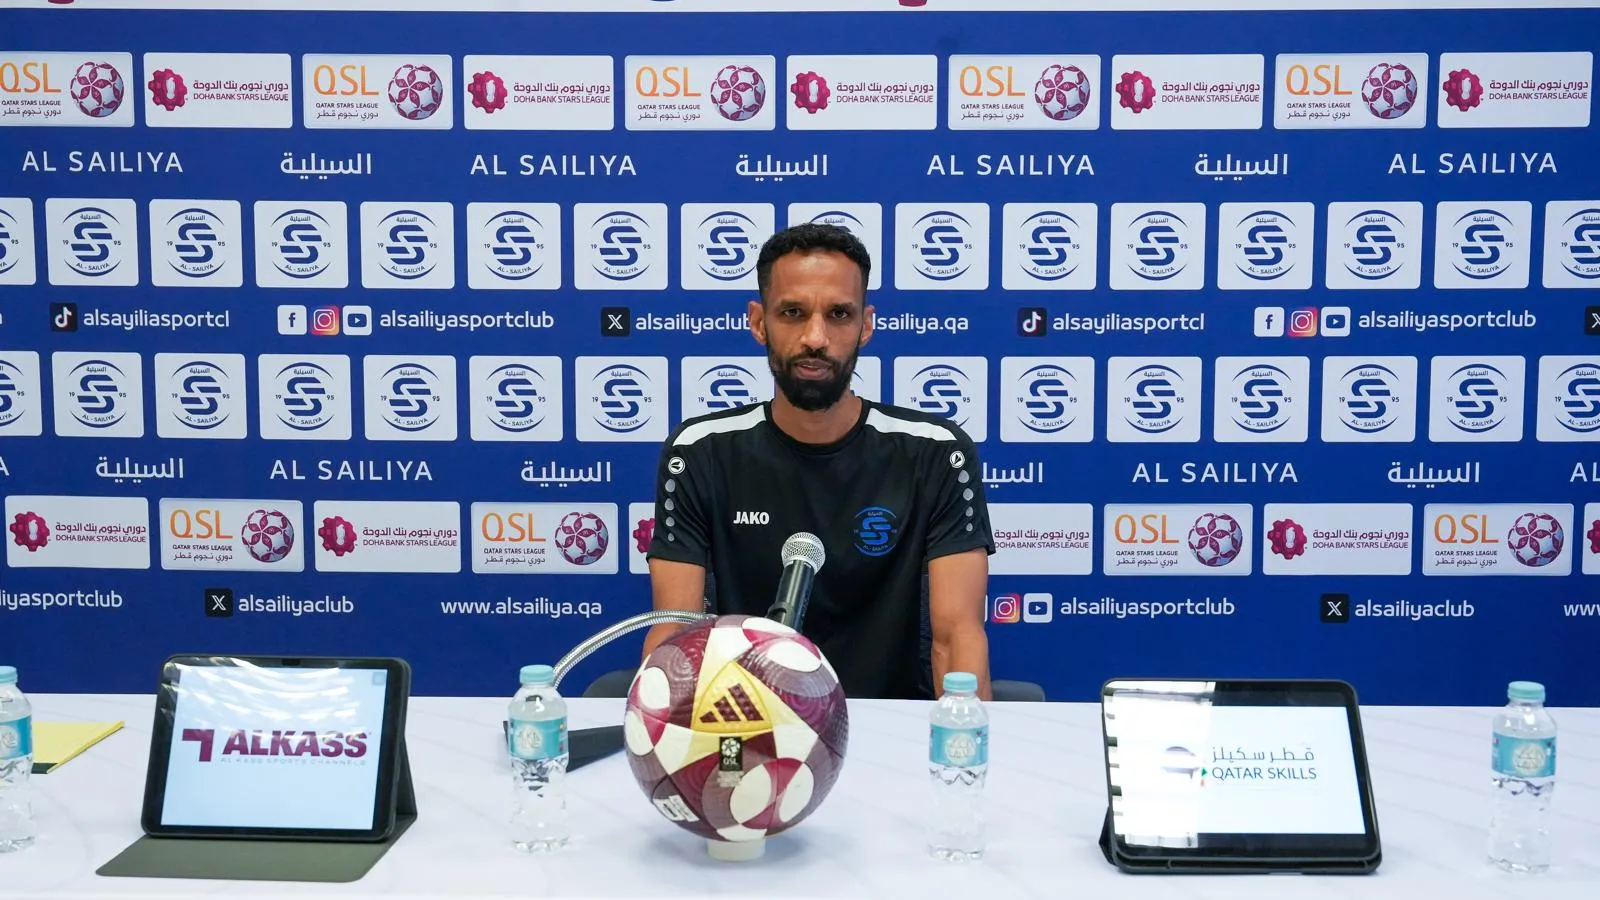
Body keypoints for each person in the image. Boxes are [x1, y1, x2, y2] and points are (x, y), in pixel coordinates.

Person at [642, 222, 995, 701]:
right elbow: (675, 632)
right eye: (792, 313)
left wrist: (962, 735)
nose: (815, 337)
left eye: (839, 314)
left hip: (893, 726)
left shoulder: (934, 452)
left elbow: (957, 639)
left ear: (865, 326)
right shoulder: (699, 452)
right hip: (749, 723)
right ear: (758, 322)